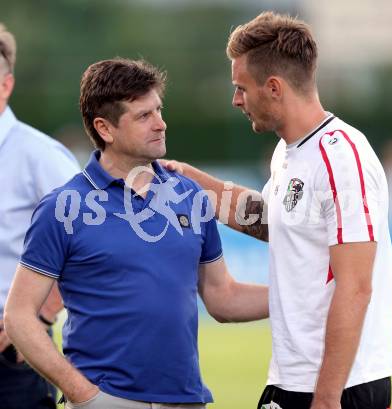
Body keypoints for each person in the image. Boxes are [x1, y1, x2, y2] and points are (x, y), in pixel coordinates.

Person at [162, 11, 392, 409]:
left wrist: (327, 397)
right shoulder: (288, 153)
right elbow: (269, 219)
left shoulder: (343, 158)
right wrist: (191, 180)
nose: (236, 99)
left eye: (241, 88)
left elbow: (356, 286)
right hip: (292, 377)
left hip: (341, 386)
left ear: (273, 87)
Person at [4, 58, 268, 409]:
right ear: (105, 128)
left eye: (158, 110)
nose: (161, 124)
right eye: (144, 116)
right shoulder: (63, 206)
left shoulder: (189, 194)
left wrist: (302, 294)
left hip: (186, 401)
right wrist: (86, 397)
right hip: (105, 400)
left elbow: (223, 297)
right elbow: (20, 315)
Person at [0, 23, 80, 409]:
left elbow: (89, 242)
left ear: (5, 86)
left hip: (12, 359)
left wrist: (40, 317)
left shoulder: (40, 156)